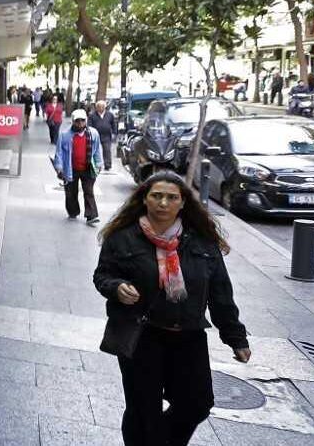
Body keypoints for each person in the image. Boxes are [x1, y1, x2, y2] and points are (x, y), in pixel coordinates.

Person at [93, 171, 250, 446]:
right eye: (156, 196)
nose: (163, 203)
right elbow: (103, 275)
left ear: (183, 203)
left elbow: (220, 293)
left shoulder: (202, 241)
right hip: (141, 335)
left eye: (171, 197)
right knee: (144, 410)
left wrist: (235, 337)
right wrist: (116, 287)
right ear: (144, 199)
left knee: (197, 404)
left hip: (188, 335)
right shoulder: (122, 237)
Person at [53, 109, 103, 224]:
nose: (80, 123)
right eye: (77, 121)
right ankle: (73, 211)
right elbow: (59, 153)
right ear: (73, 122)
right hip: (71, 169)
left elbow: (97, 150)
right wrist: (59, 168)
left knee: (89, 191)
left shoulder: (93, 134)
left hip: (88, 168)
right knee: (71, 192)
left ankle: (91, 216)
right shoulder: (65, 135)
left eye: (82, 121)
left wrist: (99, 164)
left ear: (86, 121)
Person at [88, 100, 117, 171]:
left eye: (102, 106)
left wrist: (114, 133)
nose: (100, 108)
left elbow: (114, 124)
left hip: (106, 135)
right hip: (96, 135)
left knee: (107, 150)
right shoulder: (92, 115)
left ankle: (107, 165)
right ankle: (93, 164)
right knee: (94, 149)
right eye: (99, 107)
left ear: (105, 107)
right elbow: (89, 125)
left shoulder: (110, 115)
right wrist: (90, 133)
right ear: (96, 107)